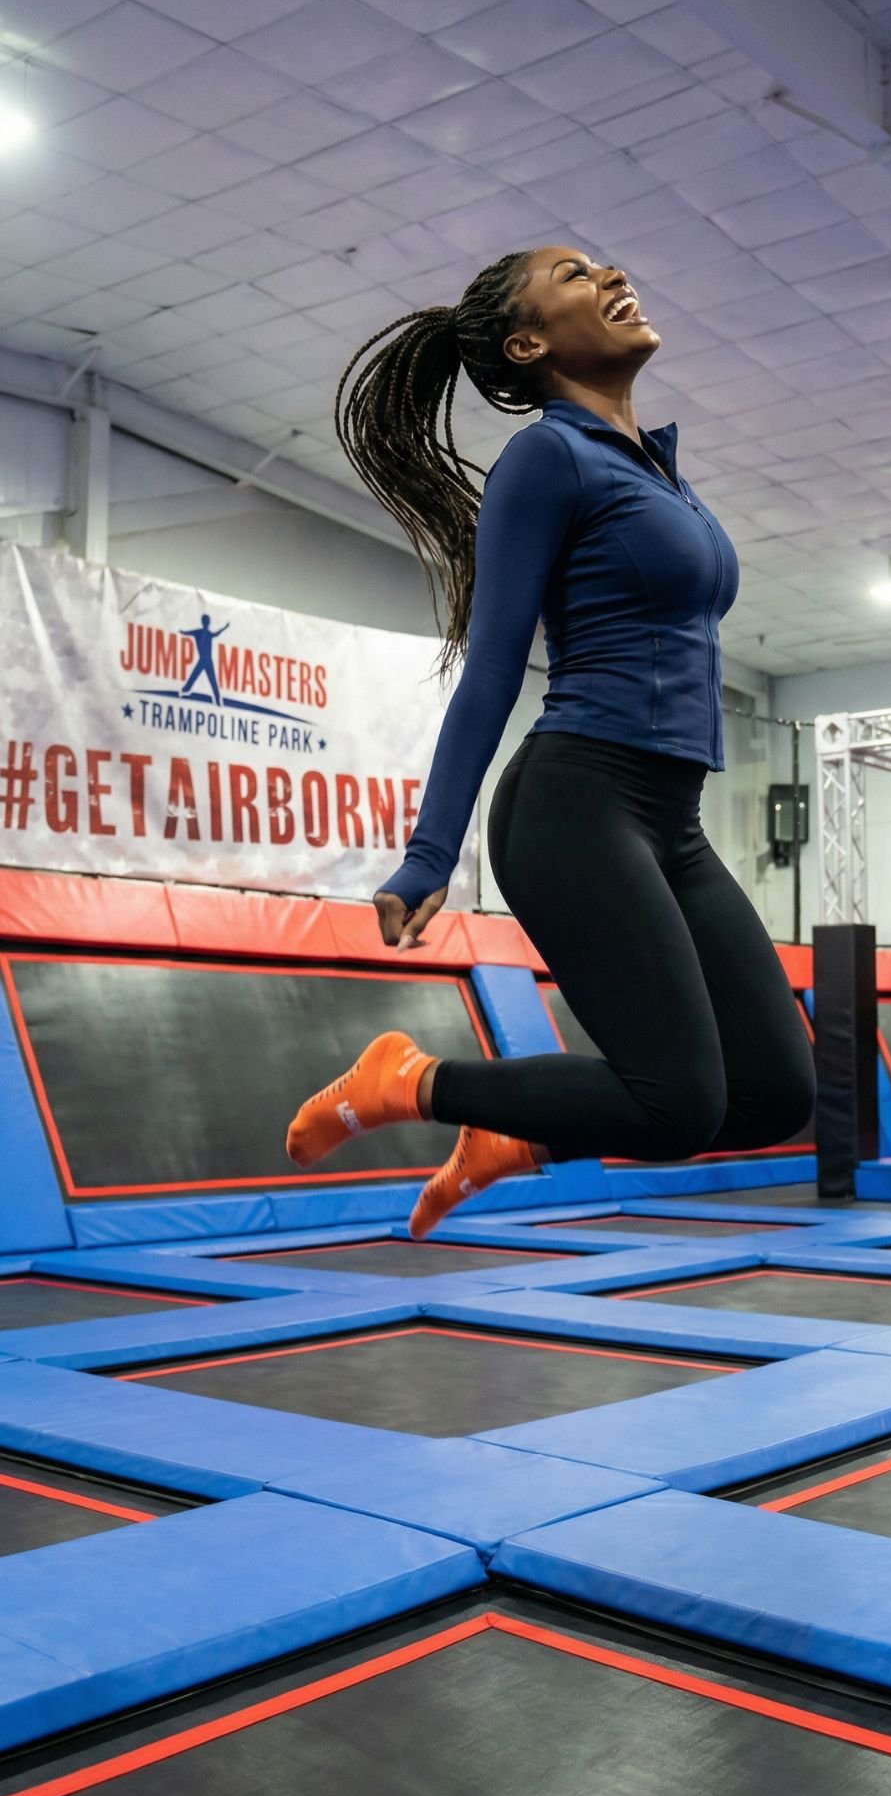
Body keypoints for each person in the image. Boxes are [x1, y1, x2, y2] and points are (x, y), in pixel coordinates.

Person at [286, 247, 816, 1238]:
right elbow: (492, 663)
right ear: (527, 342)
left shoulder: (654, 468)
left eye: (610, 264)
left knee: (776, 1095)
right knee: (675, 1103)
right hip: (576, 804)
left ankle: (514, 1134)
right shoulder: (548, 455)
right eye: (577, 273)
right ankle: (409, 1080)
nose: (614, 273)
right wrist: (430, 851)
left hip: (672, 819)